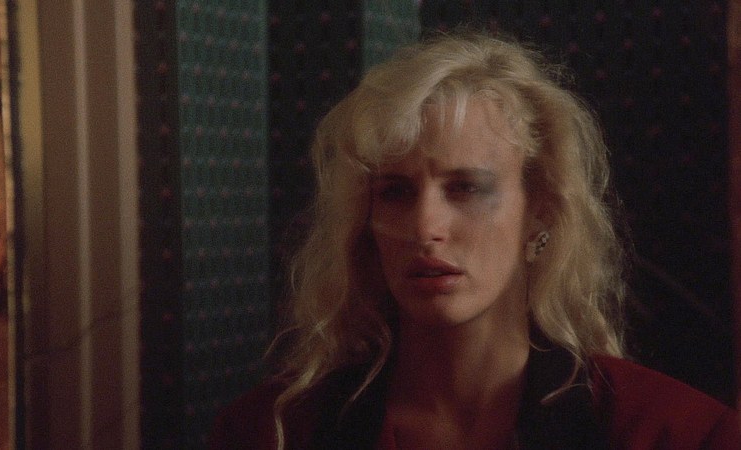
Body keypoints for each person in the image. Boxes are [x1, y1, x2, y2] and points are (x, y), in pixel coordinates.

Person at [210, 31, 741, 449]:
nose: (425, 228)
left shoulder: (675, 433)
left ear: (539, 210)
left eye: (465, 188)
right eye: (395, 191)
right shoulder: (273, 431)